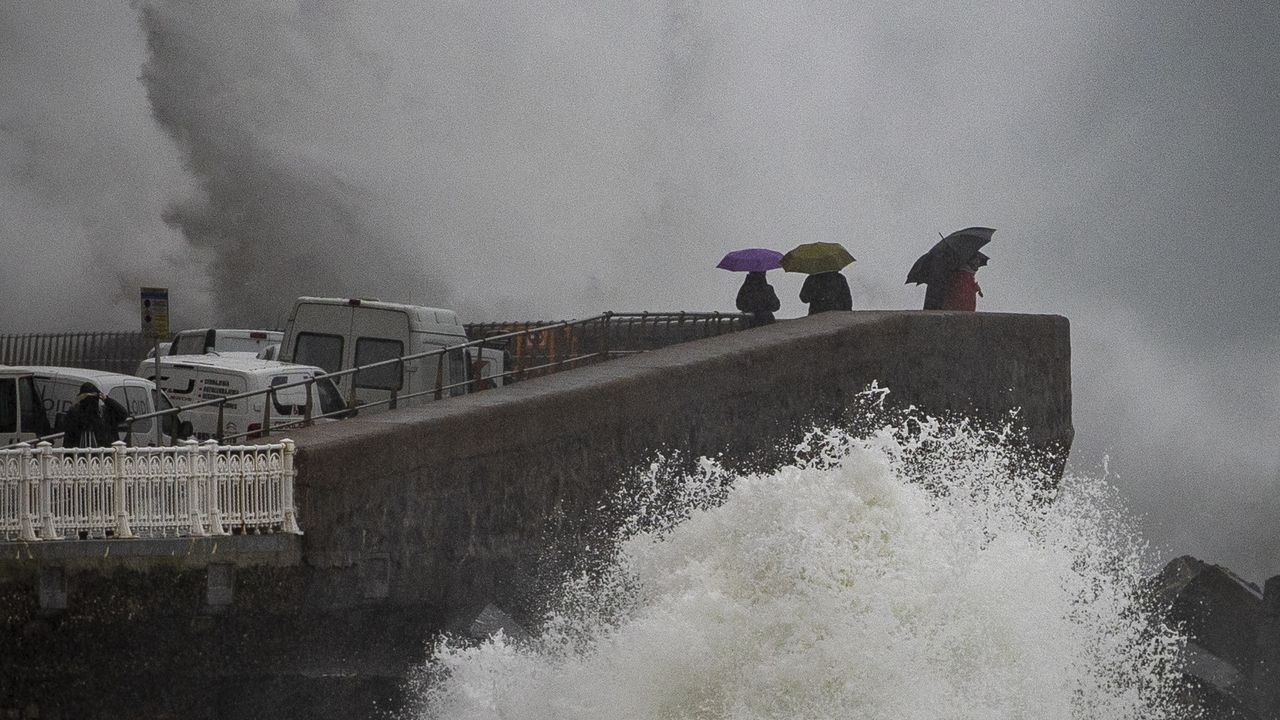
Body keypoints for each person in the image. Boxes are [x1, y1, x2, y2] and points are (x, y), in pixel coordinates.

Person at [61, 383, 129, 448]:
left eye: (93, 397)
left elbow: (123, 414)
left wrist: (107, 400)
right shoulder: (76, 414)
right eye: (86, 398)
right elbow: (68, 428)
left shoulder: (105, 413)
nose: (90, 402)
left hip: (103, 455)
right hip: (80, 454)